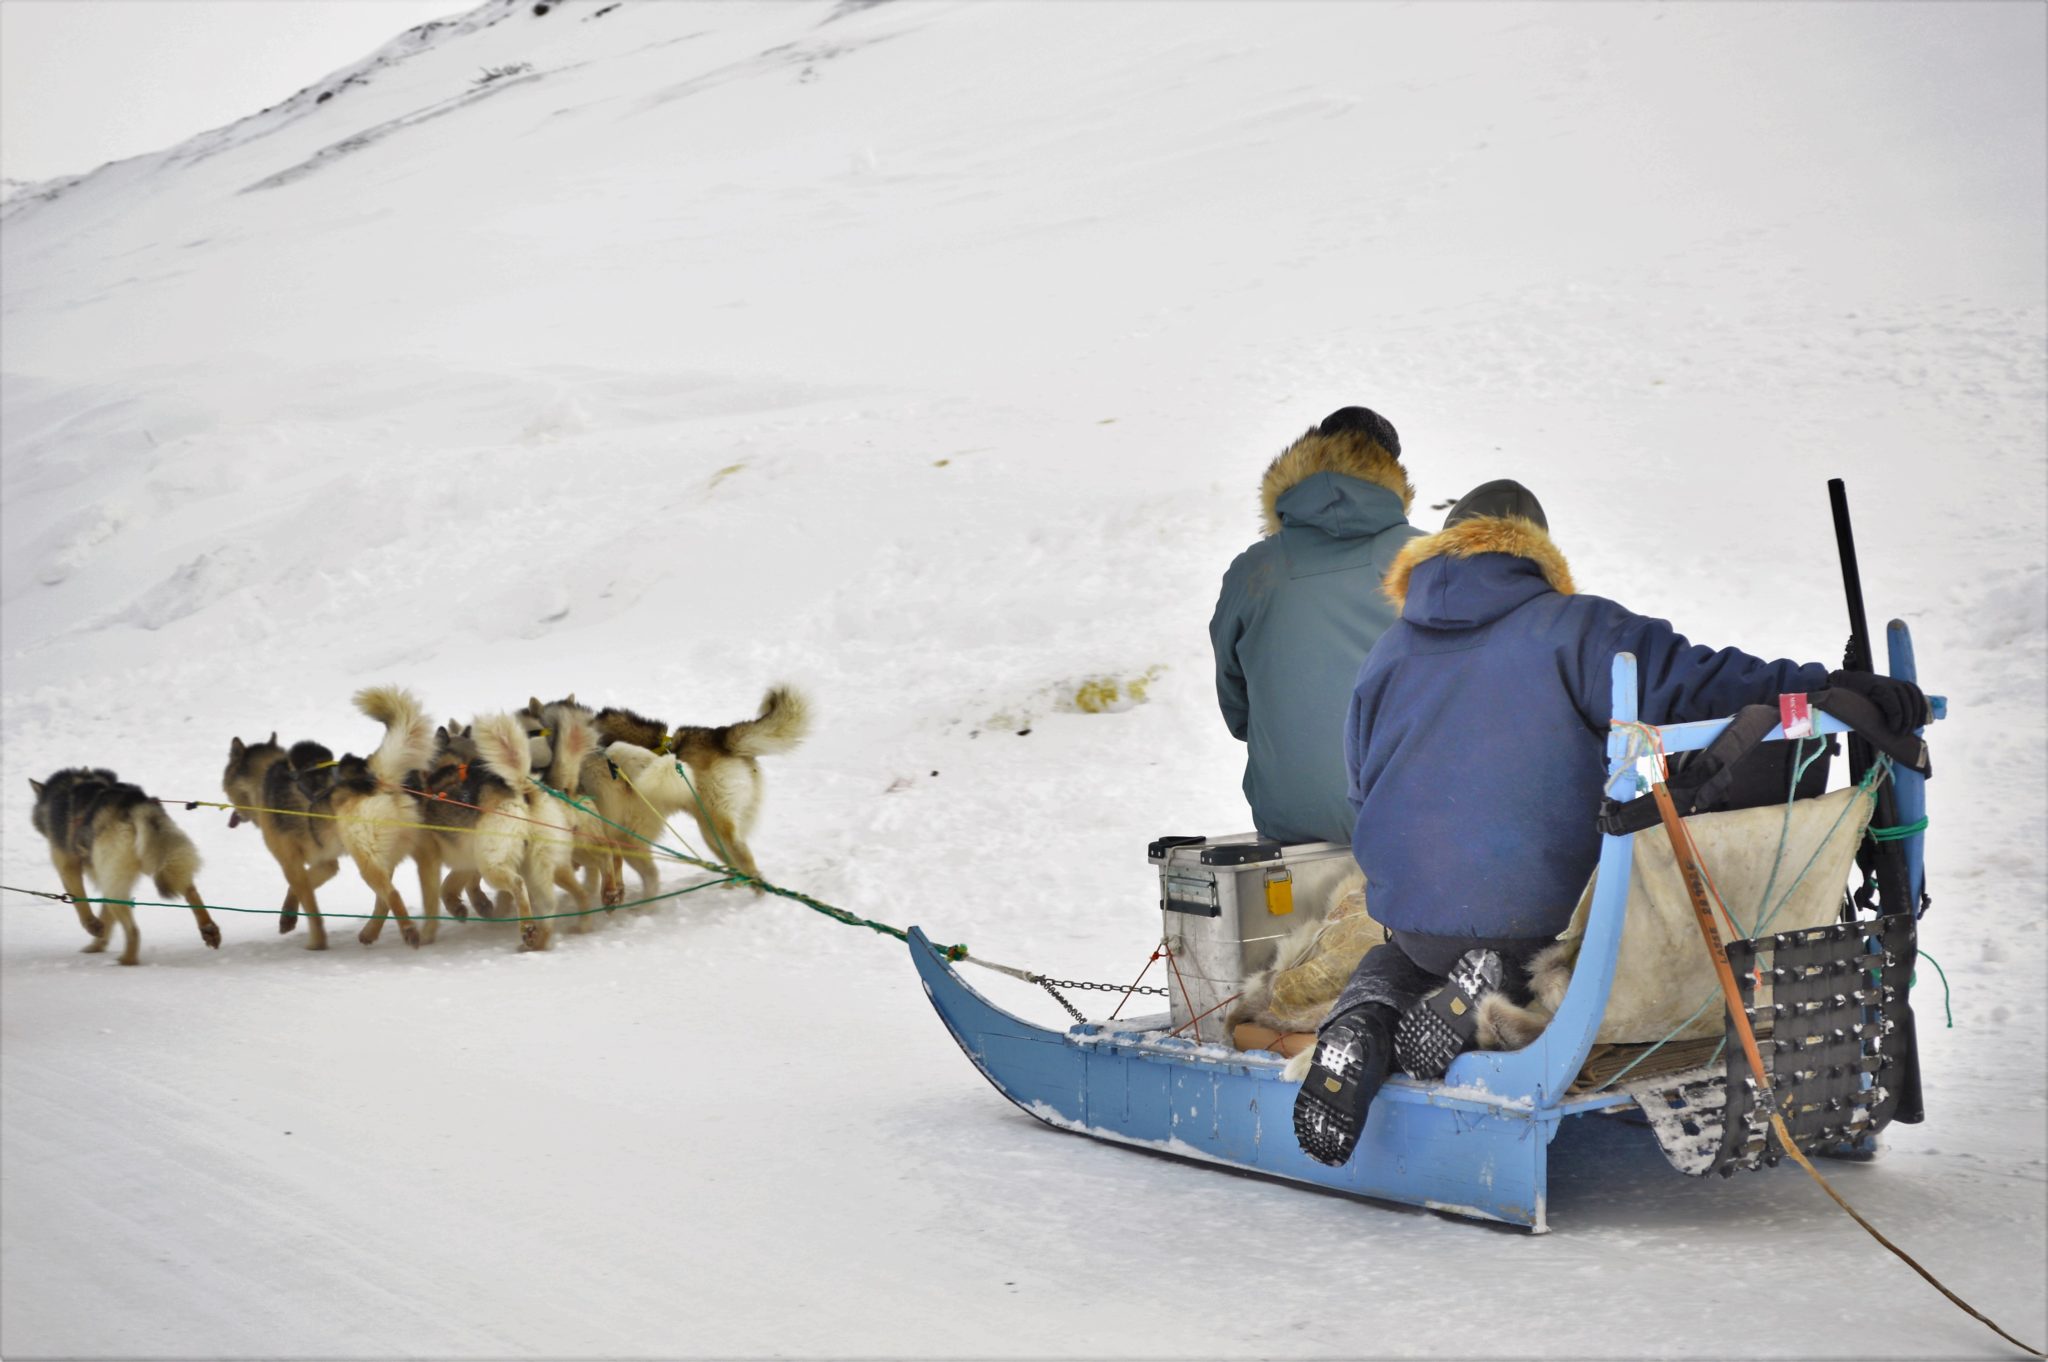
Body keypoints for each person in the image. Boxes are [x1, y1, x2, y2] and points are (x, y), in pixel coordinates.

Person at [1292, 479, 1929, 1166]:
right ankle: (1492, 988)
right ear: (1533, 551)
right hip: (1539, 921)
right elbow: (1706, 681)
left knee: (1393, 956)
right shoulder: (1578, 628)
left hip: (1416, 919)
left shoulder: (1387, 653)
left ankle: (1368, 1016)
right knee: (1551, 921)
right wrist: (1831, 685)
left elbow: (1361, 789)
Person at [1209, 407, 1423, 846]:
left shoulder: (1255, 571)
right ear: (1391, 472)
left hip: (1288, 820)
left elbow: (1237, 709)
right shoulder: (1426, 559)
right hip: (1409, 816)